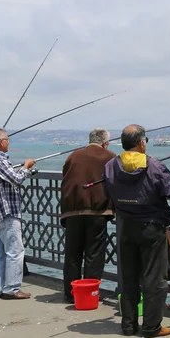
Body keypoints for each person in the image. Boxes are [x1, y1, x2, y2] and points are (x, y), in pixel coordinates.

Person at [103, 125, 170, 337]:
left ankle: (128, 325)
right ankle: (151, 327)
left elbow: (107, 189)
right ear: (142, 143)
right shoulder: (154, 164)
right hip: (151, 227)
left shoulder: (111, 165)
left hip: (125, 226)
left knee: (128, 277)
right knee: (154, 279)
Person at [0, 128, 35, 299]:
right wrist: (26, 167)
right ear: (2, 142)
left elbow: (5, 179)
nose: (9, 142)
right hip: (6, 212)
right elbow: (17, 179)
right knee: (15, 251)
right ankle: (12, 288)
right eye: (7, 140)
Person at [60, 128, 116, 302]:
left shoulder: (74, 155)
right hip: (97, 211)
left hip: (72, 210)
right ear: (105, 143)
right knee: (94, 253)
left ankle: (71, 293)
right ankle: (90, 293)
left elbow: (66, 174)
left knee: (72, 253)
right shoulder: (109, 156)